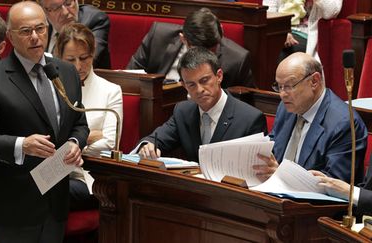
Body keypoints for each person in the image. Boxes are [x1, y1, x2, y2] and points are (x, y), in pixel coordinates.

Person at [0, 2, 89, 242]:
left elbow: (79, 122)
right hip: (13, 207)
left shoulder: (66, 72)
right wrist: (21, 145)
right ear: (10, 36)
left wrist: (75, 142)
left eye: (40, 29)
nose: (35, 37)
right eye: (25, 31)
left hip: (55, 203)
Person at [137, 46, 267, 162]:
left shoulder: (250, 119)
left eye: (204, 80)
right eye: (191, 84)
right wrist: (147, 146)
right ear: (184, 85)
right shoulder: (183, 112)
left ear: (219, 76)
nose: (199, 89)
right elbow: (155, 140)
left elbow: (259, 170)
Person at [255, 52, 367, 184]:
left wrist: (281, 176)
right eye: (279, 86)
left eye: (289, 86)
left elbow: (335, 185)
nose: (282, 94)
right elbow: (273, 150)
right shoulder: (286, 108)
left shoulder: (344, 124)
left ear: (314, 81)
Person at [55, 23, 122, 210]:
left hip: (90, 176)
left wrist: (72, 146)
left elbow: (109, 144)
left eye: (84, 58)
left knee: (51, 191)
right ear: (59, 58)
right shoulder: (51, 88)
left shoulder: (111, 91)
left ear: (93, 54)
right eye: (71, 59)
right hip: (52, 170)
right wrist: (91, 135)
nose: (78, 66)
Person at [127, 7, 254, 89]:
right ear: (183, 39)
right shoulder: (158, 36)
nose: (204, 57)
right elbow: (129, 79)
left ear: (221, 33)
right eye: (199, 50)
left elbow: (248, 102)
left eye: (212, 49)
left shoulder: (237, 59)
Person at [38, 0, 111, 69]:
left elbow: (84, 63)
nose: (65, 12)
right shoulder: (39, 25)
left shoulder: (95, 20)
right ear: (44, 11)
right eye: (55, 8)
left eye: (68, 3)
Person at [263, 0, 342, 62]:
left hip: (305, 35)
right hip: (278, 31)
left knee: (282, 53)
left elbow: (331, 12)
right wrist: (282, 31)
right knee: (254, 51)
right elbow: (268, 11)